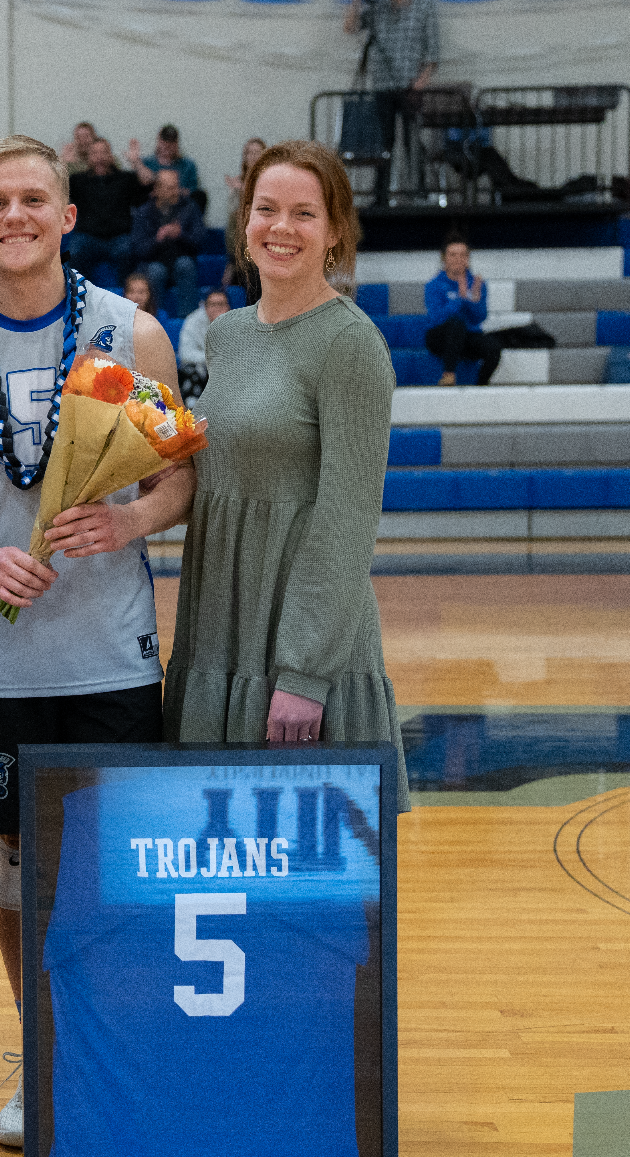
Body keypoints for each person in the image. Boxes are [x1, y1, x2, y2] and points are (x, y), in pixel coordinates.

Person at [0, 135, 195, 1149]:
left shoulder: (130, 332)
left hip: (107, 646)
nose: (15, 215)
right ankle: (36, 1048)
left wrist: (131, 520)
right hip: (0, 656)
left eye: (31, 198)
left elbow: (179, 472)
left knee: (102, 864)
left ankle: (104, 1047)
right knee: (12, 859)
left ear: (66, 213)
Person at [164, 139, 408, 811]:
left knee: (321, 889)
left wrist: (304, 673)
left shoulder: (351, 344)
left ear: (335, 233)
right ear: (244, 222)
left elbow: (348, 518)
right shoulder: (228, 335)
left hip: (303, 637)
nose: (281, 226)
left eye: (304, 213)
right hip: (220, 618)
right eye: (265, 208)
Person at [340, 0, 439, 206]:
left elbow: (434, 52)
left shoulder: (423, 9)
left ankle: (419, 192)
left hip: (409, 86)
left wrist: (421, 82)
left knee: (413, 142)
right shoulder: (378, 9)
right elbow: (350, 27)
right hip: (382, 86)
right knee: (382, 144)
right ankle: (380, 195)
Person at [424, 236, 501, 385]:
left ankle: (481, 384)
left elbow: (479, 318)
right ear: (444, 258)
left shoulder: (477, 284)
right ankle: (449, 375)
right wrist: (460, 298)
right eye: (453, 255)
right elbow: (436, 318)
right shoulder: (434, 285)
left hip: (466, 337)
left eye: (463, 255)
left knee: (493, 346)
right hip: (440, 337)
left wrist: (473, 302)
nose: (458, 259)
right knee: (456, 323)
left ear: (468, 258)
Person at [66, 137, 146, 280]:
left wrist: (136, 162)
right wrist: (63, 164)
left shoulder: (126, 178)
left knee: (128, 251)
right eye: (95, 153)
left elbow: (152, 184)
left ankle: (126, 299)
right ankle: (78, 299)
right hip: (88, 237)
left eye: (104, 153)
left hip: (119, 238)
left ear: (110, 155)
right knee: (75, 251)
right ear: (88, 157)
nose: (100, 158)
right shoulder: (78, 180)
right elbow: (52, 187)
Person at [132, 168, 206, 318]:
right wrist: (157, 239)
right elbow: (138, 249)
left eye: (176, 187)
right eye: (170, 188)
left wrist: (181, 235)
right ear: (157, 189)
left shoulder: (190, 208)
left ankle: (187, 320)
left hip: (181, 259)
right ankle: (153, 320)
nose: (175, 192)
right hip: (154, 261)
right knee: (155, 271)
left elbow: (200, 242)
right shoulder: (143, 212)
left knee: (185, 265)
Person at [176, 285, 230, 404]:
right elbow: (185, 354)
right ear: (205, 307)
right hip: (201, 370)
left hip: (226, 372)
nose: (217, 309)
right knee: (189, 371)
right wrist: (212, 358)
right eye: (212, 304)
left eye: (221, 304)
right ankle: (192, 411)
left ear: (228, 307)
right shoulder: (193, 321)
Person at [223, 138, 268, 276]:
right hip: (242, 240)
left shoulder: (271, 181)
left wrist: (243, 190)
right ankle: (235, 262)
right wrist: (237, 192)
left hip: (264, 236)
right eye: (250, 152)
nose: (253, 156)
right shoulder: (237, 182)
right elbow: (232, 212)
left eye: (257, 152)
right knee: (237, 218)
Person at [127, 123, 201, 195]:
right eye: (164, 140)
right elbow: (142, 184)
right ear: (158, 141)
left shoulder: (188, 165)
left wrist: (168, 191)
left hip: (180, 206)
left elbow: (193, 192)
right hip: (150, 206)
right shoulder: (146, 163)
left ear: (177, 143)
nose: (167, 145)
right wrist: (136, 162)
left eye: (172, 141)